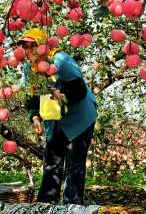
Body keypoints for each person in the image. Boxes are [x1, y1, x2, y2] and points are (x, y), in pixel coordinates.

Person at [19, 28, 98, 205]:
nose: (30, 50)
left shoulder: (60, 60)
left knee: (74, 162)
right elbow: (31, 97)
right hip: (54, 117)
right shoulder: (28, 69)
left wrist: (62, 96)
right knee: (51, 161)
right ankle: (46, 206)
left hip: (79, 117)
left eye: (35, 45)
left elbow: (79, 89)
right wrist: (36, 118)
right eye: (26, 46)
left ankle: (72, 207)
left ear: (44, 46)